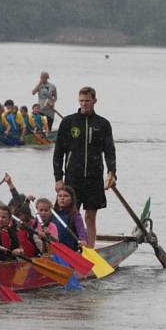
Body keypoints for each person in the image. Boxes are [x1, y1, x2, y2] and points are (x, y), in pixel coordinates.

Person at [53, 86, 116, 248]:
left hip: (94, 178)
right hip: (73, 177)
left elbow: (109, 151)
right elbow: (58, 151)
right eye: (81, 101)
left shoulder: (103, 124)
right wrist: (58, 178)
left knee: (90, 217)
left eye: (87, 101)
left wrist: (112, 172)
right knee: (70, 216)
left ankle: (90, 250)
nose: (84, 104)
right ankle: (68, 248)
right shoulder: (68, 122)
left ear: (94, 101)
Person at [51, 186, 88, 251]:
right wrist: (27, 203)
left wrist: (83, 240)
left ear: (71, 200)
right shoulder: (51, 213)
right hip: (54, 248)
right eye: (60, 196)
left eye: (66, 196)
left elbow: (81, 230)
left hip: (69, 250)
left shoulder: (75, 215)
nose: (62, 198)